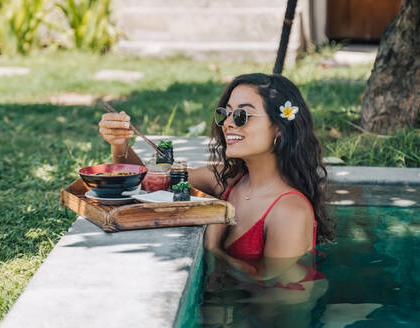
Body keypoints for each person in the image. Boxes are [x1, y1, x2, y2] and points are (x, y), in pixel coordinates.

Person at [99, 74, 334, 325]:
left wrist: (214, 248)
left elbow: (280, 303)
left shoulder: (289, 211)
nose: (228, 124)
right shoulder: (225, 180)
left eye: (242, 116)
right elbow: (149, 184)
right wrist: (120, 143)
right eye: (226, 114)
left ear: (279, 127)